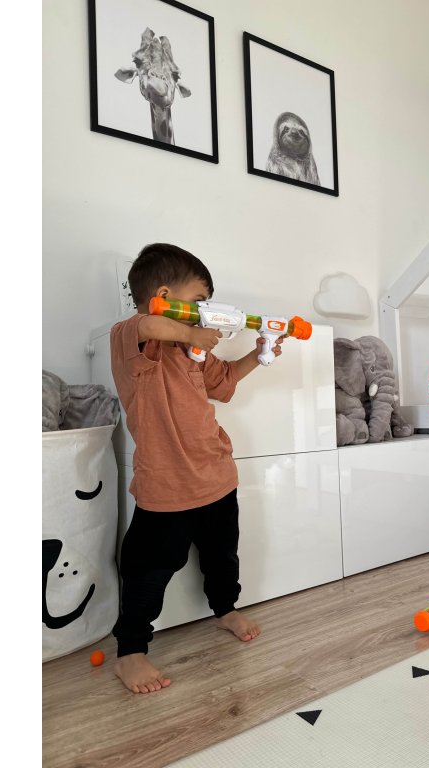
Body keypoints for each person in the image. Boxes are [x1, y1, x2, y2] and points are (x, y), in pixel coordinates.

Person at [108, 243, 283, 694]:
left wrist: (260, 353)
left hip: (216, 477)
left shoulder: (192, 352)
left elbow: (225, 384)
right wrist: (192, 335)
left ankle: (225, 609)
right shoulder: (130, 338)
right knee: (148, 568)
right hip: (166, 487)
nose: (205, 312)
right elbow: (148, 324)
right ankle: (131, 650)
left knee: (223, 555)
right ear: (165, 296)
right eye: (200, 302)